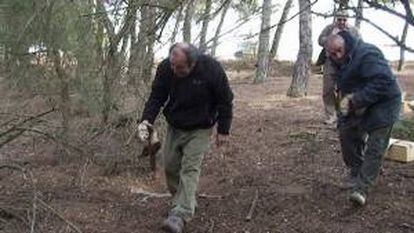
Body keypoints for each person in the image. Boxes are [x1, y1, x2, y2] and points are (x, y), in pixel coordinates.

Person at [137, 42, 233, 233]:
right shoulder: (166, 68)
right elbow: (157, 96)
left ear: (193, 62)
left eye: (179, 67)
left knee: (189, 169)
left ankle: (180, 215)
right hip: (176, 125)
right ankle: (180, 202)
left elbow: (225, 100)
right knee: (171, 167)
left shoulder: (211, 68)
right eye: (173, 65)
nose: (174, 70)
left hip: (200, 128)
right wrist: (146, 120)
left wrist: (223, 129)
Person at [326, 31, 401, 206]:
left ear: (346, 44)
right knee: (346, 132)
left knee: (375, 147)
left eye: (339, 51)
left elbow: (383, 81)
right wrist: (342, 111)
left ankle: (361, 189)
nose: (336, 56)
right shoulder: (336, 61)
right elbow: (342, 88)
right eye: (332, 53)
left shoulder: (367, 53)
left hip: (385, 102)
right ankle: (357, 172)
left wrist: (356, 101)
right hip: (360, 103)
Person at [318, 10, 361, 125]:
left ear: (348, 20)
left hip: (346, 63)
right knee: (328, 88)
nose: (341, 22)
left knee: (345, 89)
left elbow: (360, 44)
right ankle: (331, 115)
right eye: (339, 19)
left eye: (344, 19)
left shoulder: (353, 30)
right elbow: (320, 40)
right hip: (330, 61)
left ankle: (344, 115)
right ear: (335, 19)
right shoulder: (329, 28)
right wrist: (330, 40)